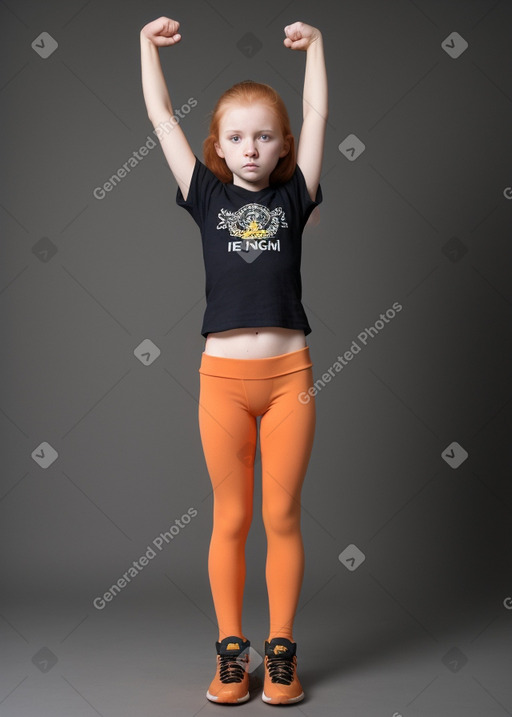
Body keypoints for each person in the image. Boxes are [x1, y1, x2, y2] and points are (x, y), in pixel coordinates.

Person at [140, 16, 327, 705]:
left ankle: (279, 652)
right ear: (218, 146)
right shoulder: (207, 195)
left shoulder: (295, 196)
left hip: (290, 381)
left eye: (265, 136)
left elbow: (317, 109)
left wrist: (317, 49)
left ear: (283, 148)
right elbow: (160, 116)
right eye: (237, 138)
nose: (251, 149)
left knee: (282, 514)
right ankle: (229, 653)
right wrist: (144, 47)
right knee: (231, 517)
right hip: (221, 382)